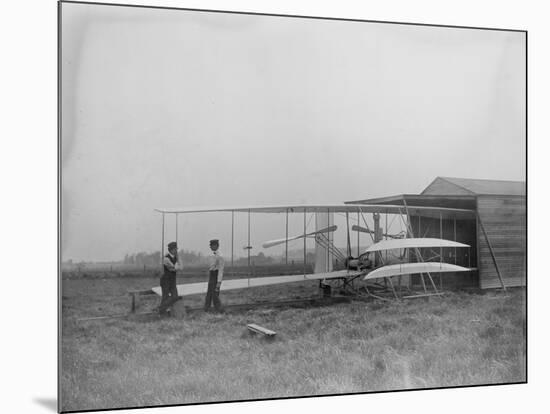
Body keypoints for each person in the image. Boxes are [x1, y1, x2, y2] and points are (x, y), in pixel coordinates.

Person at [158, 241, 182, 316]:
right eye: (175, 249)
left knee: (175, 296)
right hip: (165, 280)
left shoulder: (176, 257)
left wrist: (178, 259)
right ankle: (162, 312)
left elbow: (181, 267)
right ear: (170, 250)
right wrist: (176, 266)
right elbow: (174, 268)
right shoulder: (166, 259)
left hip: (172, 281)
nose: (176, 251)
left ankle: (165, 310)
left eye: (176, 249)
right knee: (165, 297)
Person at [204, 239, 224, 312]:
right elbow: (211, 266)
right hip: (211, 274)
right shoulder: (212, 255)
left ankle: (220, 310)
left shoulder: (220, 256)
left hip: (216, 275)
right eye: (210, 245)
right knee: (209, 293)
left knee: (215, 294)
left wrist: (219, 282)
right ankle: (206, 309)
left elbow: (221, 270)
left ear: (216, 246)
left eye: (212, 245)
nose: (211, 247)